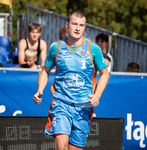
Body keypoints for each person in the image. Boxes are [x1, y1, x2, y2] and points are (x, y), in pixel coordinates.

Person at [33, 10, 109, 150]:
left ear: (85, 27)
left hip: (83, 107)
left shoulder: (93, 49)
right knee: (61, 147)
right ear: (67, 25)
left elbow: (104, 73)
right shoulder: (56, 47)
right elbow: (45, 70)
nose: (77, 28)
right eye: (74, 24)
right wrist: (39, 90)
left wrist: (97, 95)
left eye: (81, 25)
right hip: (62, 103)